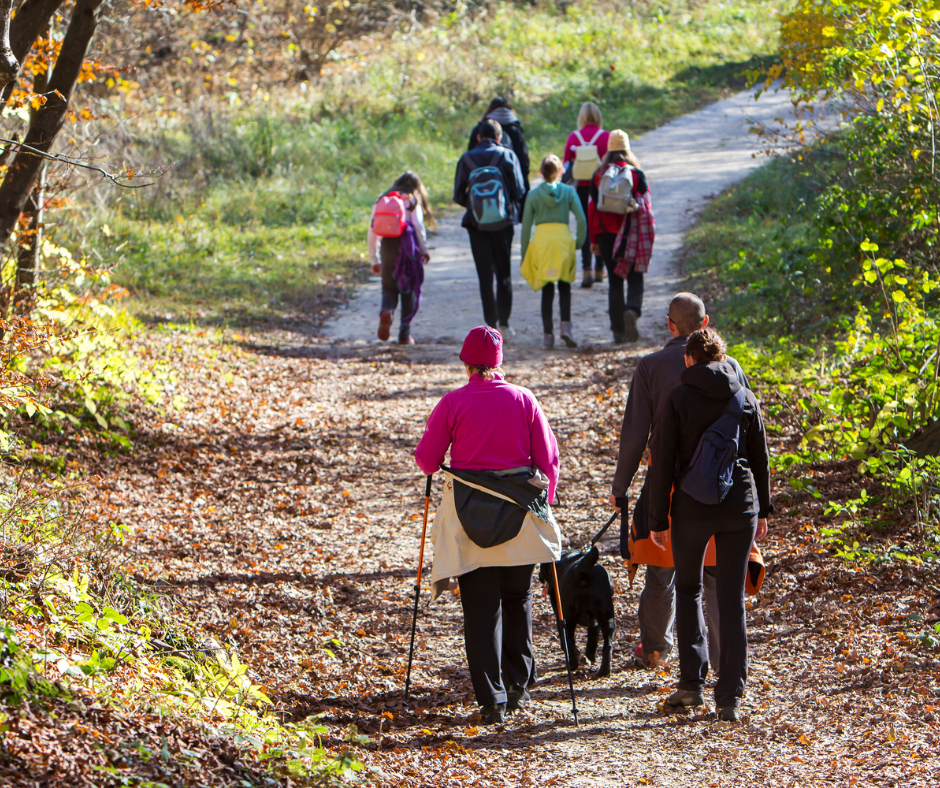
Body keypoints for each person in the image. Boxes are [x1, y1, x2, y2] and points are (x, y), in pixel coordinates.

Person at [414, 326, 562, 725]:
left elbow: (428, 462)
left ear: (465, 363)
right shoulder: (523, 399)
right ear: (500, 363)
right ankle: (519, 684)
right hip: (519, 518)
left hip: (469, 519)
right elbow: (548, 460)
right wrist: (543, 505)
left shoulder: (452, 403)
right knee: (517, 597)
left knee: (480, 608)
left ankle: (491, 699)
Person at [609, 293, 750, 671]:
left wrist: (620, 486)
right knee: (718, 578)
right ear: (706, 325)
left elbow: (635, 434)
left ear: (670, 325)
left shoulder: (651, 367)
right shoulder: (731, 366)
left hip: (670, 485)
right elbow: (748, 429)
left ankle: (656, 647)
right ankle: (721, 661)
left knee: (663, 573)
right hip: (723, 485)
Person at [647, 327, 772, 721]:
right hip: (740, 506)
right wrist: (764, 510)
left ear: (688, 359)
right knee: (731, 599)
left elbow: (662, 459)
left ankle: (691, 684)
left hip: (692, 505)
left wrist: (656, 518)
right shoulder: (743, 395)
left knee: (688, 589)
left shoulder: (678, 398)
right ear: (721, 357)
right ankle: (730, 696)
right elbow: (760, 457)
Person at [454, 120, 526, 339]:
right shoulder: (507, 156)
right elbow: (519, 190)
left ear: (478, 137)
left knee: (485, 275)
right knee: (504, 273)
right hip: (504, 225)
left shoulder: (466, 158)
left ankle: (490, 326)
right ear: (499, 137)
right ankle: (505, 324)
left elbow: (458, 196)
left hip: (476, 226)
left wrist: (477, 207)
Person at [520, 155, 587, 350]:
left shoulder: (533, 195)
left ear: (540, 172)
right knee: (565, 286)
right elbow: (581, 220)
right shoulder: (569, 192)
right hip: (563, 241)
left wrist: (525, 253)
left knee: (547, 289)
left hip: (542, 243)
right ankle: (566, 327)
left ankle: (547, 335)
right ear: (560, 171)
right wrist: (578, 243)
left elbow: (525, 228)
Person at [588, 130, 648, 343]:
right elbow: (645, 206)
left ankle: (618, 331)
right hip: (629, 235)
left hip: (606, 236)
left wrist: (594, 239)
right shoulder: (636, 174)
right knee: (634, 276)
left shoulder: (599, 174)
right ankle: (632, 309)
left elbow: (593, 208)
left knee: (614, 282)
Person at [366, 171, 434, 344]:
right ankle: (404, 334)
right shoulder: (410, 201)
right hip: (408, 249)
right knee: (408, 290)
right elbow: (418, 227)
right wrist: (424, 249)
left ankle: (386, 311)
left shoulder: (383, 199)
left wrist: (374, 259)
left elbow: (372, 232)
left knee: (388, 287)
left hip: (388, 247)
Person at [562, 102, 609, 288]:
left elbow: (566, 164)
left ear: (581, 117)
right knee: (600, 225)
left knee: (584, 225)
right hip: (601, 187)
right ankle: (600, 268)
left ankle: (586, 269)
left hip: (580, 188)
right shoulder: (606, 137)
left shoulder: (574, 137)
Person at [468, 97, 531, 201]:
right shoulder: (515, 130)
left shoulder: (479, 129)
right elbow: (523, 160)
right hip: (508, 187)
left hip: (480, 188)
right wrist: (521, 190)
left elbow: (470, 156)